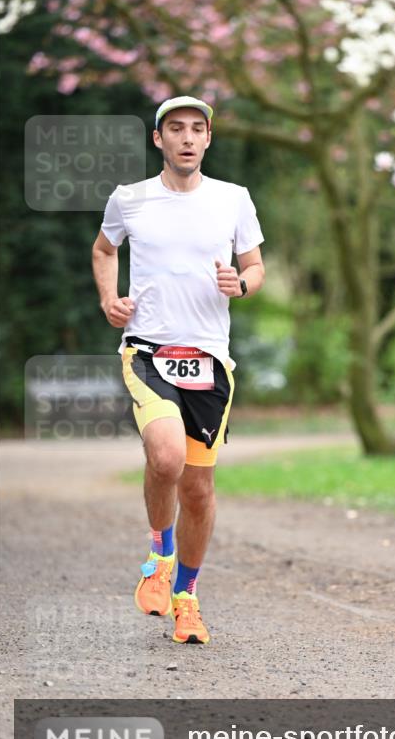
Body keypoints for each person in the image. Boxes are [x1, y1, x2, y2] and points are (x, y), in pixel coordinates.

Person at [92, 96, 265, 644]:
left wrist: (242, 284)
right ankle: (159, 553)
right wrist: (108, 299)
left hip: (210, 359)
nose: (187, 138)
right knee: (165, 456)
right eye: (175, 129)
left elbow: (255, 266)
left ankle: (186, 597)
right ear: (158, 139)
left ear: (208, 139)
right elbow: (103, 250)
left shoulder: (233, 200)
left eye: (196, 129)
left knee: (198, 490)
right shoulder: (131, 200)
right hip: (147, 349)